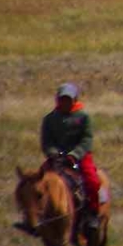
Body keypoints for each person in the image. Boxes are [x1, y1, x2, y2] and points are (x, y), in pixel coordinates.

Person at [27, 82, 105, 233]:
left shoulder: (84, 118)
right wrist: (53, 152)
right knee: (34, 183)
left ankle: (93, 214)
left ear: (75, 100)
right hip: (56, 158)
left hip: (80, 156)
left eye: (68, 99)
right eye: (62, 99)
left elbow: (87, 139)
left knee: (92, 181)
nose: (64, 102)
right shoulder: (49, 119)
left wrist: (75, 155)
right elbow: (46, 141)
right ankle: (33, 218)